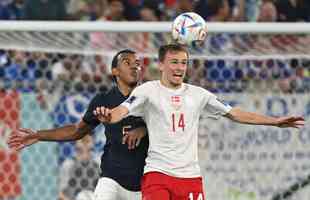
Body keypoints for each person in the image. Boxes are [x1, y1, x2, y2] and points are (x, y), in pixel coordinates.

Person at [93, 44, 305, 200]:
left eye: (184, 63)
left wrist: (275, 121)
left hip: (190, 177)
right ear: (161, 65)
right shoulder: (147, 91)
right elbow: (123, 110)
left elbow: (234, 113)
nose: (179, 68)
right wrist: (109, 115)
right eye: (174, 62)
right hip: (158, 175)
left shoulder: (199, 95)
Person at [8, 49, 149, 200]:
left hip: (144, 181)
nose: (134, 66)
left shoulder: (149, 96)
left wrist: (143, 129)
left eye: (137, 64)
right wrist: (38, 135)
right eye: (127, 63)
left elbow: (167, 126)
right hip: (111, 179)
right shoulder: (103, 100)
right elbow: (77, 131)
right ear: (115, 71)